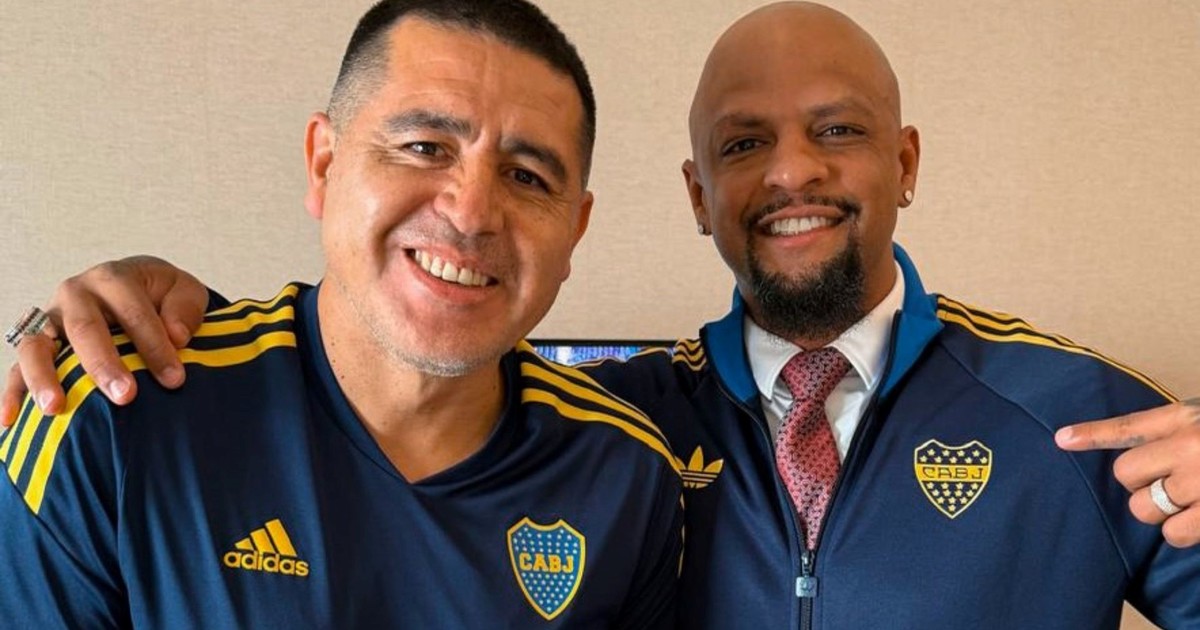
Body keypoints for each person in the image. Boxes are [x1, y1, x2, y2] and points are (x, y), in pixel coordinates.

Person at [4, 1, 1199, 628]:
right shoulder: (620, 425)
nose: (792, 172)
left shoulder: (1081, 415)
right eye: (743, 143)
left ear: (906, 161)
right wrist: (158, 307)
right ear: (696, 193)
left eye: (838, 130)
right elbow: (380, 365)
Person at [0, 1, 684, 627]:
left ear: (574, 232)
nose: (472, 213)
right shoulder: (112, 417)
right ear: (324, 165)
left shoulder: (628, 474)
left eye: (527, 177)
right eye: (425, 147)